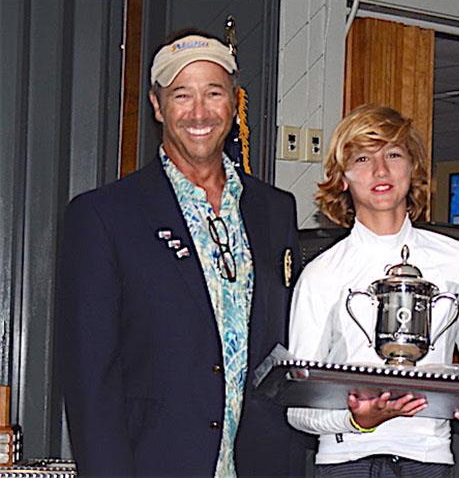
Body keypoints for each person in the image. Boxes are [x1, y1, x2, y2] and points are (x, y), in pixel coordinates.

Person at [57, 30, 307, 477]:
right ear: (157, 105)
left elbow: (289, 346)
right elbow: (89, 381)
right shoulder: (103, 216)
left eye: (213, 93)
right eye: (180, 95)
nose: (199, 112)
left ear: (233, 102)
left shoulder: (276, 210)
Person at [287, 104, 459, 476]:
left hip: (429, 457)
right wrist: (357, 420)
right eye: (361, 158)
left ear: (413, 167)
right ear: (342, 178)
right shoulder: (321, 274)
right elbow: (298, 407)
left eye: (393, 154)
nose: (380, 170)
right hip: (345, 462)